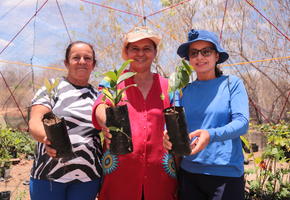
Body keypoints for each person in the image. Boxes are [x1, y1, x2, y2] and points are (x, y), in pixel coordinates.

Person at [92, 26, 178, 200]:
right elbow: (99, 105)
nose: (141, 54)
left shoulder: (168, 86)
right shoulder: (113, 81)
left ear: (155, 53)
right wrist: (106, 121)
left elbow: (177, 124)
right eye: (135, 49)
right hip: (119, 176)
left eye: (147, 49)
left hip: (160, 177)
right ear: (126, 52)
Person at [163, 29, 249, 200]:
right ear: (188, 59)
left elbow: (242, 123)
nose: (200, 57)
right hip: (189, 174)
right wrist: (167, 135)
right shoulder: (182, 91)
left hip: (226, 175)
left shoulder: (232, 84)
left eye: (206, 52)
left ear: (217, 56)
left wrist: (210, 134)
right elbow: (175, 123)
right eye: (194, 53)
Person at [28, 41, 103, 200]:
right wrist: (47, 140)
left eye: (87, 58)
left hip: (87, 176)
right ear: (66, 63)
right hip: (48, 175)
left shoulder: (99, 96)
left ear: (93, 64)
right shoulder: (52, 89)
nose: (82, 61)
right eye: (76, 57)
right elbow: (35, 121)